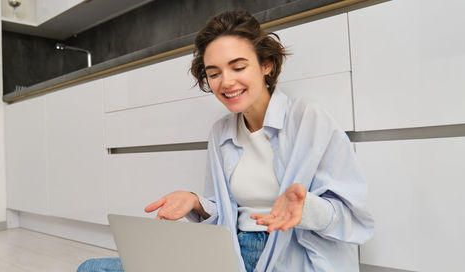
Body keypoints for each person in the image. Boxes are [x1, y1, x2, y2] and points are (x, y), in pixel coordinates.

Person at [78, 10, 374, 272]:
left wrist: (306, 209)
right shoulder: (221, 132)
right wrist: (197, 202)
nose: (226, 82)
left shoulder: (309, 120)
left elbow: (353, 218)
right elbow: (225, 211)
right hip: (232, 254)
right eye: (214, 73)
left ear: (266, 65)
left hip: (292, 257)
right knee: (91, 268)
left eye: (238, 66)